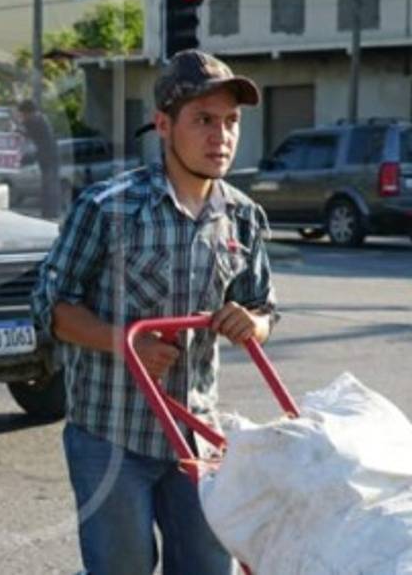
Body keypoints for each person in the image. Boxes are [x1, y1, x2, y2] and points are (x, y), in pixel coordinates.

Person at [31, 50, 278, 575]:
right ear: (164, 126)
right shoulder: (107, 207)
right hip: (111, 435)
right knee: (121, 567)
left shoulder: (244, 216)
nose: (222, 137)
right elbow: (49, 308)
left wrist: (250, 323)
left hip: (198, 435)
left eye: (231, 122)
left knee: (210, 567)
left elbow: (263, 306)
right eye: (204, 120)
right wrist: (124, 342)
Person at [16, 100, 61, 219]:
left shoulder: (36, 121)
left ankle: (50, 213)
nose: (22, 117)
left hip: (48, 157)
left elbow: (28, 131)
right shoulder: (40, 119)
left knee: (49, 185)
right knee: (49, 185)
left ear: (28, 112)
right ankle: (50, 212)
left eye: (23, 114)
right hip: (48, 156)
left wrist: (16, 128)